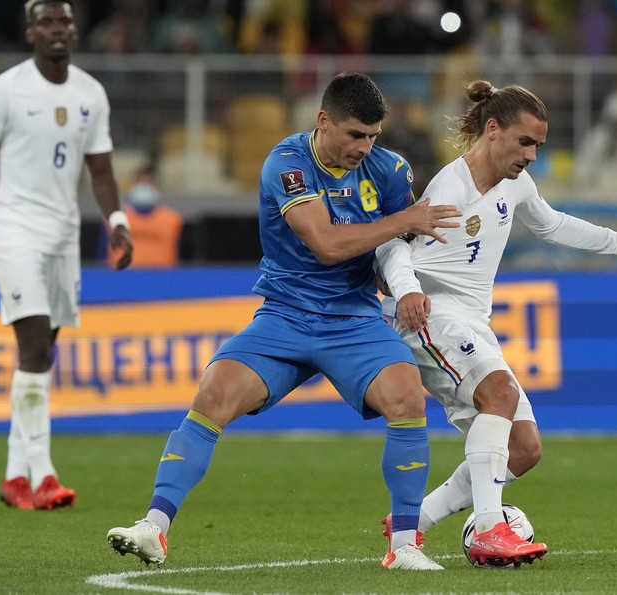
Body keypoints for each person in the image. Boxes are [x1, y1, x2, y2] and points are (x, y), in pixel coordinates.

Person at [106, 72, 462, 570]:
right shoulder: (288, 163)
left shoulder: (390, 170)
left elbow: (392, 248)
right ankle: (154, 527)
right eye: (355, 134)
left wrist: (404, 287)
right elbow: (328, 244)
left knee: (406, 395)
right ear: (323, 121)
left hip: (353, 318)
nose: (365, 146)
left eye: (373, 136)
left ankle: (403, 545)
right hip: (285, 316)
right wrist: (404, 220)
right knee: (212, 396)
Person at [375, 80, 617, 567]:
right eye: (526, 142)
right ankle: (492, 529)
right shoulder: (451, 186)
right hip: (431, 315)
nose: (533, 155)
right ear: (493, 130)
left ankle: (414, 521)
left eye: (538, 145)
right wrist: (407, 291)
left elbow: (552, 224)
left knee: (525, 447)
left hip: (473, 321)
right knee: (500, 393)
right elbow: (394, 245)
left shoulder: (515, 183)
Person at [0, 0, 133, 510]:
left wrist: (118, 222)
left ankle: (15, 475)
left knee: (41, 354)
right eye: (47, 23)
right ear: (30, 32)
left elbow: (100, 171)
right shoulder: (4, 92)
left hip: (62, 234)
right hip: (11, 229)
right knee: (35, 347)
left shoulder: (90, 94)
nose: (57, 30)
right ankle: (43, 475)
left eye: (64, 22)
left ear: (74, 31)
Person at [100, 163, 184, 267]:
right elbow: (101, 255)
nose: (145, 186)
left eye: (149, 182)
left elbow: (182, 255)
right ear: (133, 185)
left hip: (162, 279)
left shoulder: (173, 219)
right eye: (141, 182)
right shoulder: (114, 217)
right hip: (121, 278)